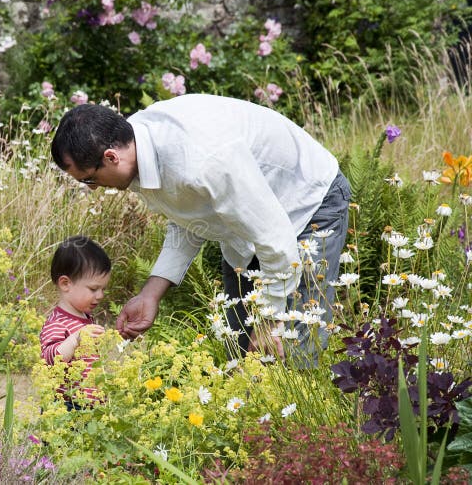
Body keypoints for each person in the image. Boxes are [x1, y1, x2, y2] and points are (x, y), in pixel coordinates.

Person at [50, 94, 351, 366]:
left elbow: (277, 243)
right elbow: (188, 215)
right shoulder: (136, 146)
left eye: (89, 179)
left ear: (111, 158)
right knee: (241, 348)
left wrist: (270, 321)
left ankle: (302, 425)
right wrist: (150, 295)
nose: (93, 189)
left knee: (291, 351)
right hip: (249, 223)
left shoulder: (203, 160)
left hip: (306, 205)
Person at [39, 235, 110, 408]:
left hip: (90, 404)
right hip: (68, 405)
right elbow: (50, 359)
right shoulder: (57, 322)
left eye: (103, 289)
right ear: (65, 284)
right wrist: (75, 339)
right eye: (94, 289)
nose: (100, 295)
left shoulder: (85, 318)